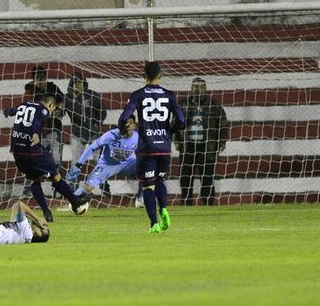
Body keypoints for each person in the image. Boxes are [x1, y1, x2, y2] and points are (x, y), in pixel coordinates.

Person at [118, 61, 185, 234]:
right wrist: (170, 131)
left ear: (144, 76)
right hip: (164, 147)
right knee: (160, 180)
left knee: (148, 186)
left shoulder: (138, 95)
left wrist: (121, 127)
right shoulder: (170, 95)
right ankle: (163, 208)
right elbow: (182, 121)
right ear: (160, 75)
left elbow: (125, 117)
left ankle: (154, 223)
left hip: (147, 147)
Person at [4, 94, 91, 222]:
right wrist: (35, 133)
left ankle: (46, 211)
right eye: (53, 108)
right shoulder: (43, 109)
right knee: (55, 177)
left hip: (17, 152)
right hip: (33, 152)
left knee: (35, 180)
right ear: (50, 104)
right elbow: (38, 121)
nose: (51, 111)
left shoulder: (24, 105)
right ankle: (75, 201)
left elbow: (12, 111)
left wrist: (6, 112)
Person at [174, 77, 228, 206]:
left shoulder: (214, 105)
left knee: (207, 177)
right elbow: (175, 123)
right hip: (188, 146)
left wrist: (221, 141)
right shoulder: (182, 104)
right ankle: (186, 204)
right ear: (191, 89)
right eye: (196, 87)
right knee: (186, 177)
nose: (199, 90)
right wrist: (176, 140)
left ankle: (208, 203)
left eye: (202, 87)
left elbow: (222, 124)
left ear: (206, 89)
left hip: (207, 146)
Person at [65, 115, 143, 204]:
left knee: (147, 168)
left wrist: (140, 167)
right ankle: (72, 203)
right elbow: (92, 147)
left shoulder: (137, 137)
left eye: (131, 123)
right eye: (125, 123)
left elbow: (140, 153)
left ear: (134, 125)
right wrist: (78, 164)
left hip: (126, 164)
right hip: (106, 165)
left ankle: (140, 198)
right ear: (120, 125)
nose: (128, 125)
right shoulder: (111, 135)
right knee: (88, 188)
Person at [64, 71, 107, 182]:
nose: (78, 85)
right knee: (76, 161)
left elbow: (102, 111)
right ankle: (73, 184)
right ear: (71, 84)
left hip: (93, 133)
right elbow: (61, 111)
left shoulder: (93, 95)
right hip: (77, 133)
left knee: (98, 160)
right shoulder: (67, 98)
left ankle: (103, 185)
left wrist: (97, 124)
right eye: (76, 82)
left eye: (81, 82)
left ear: (85, 83)